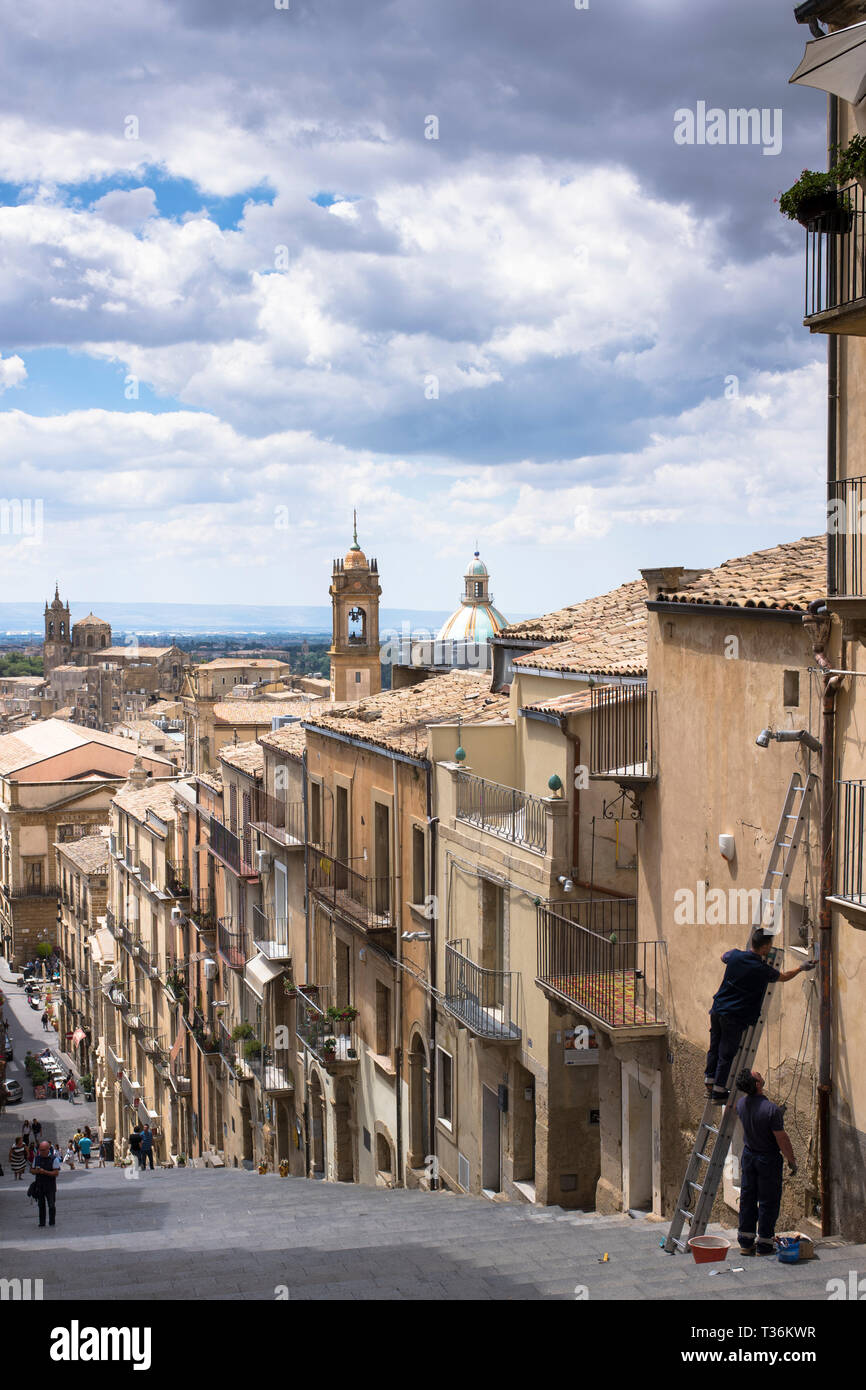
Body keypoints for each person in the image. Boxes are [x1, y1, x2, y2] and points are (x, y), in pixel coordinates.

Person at [705, 931, 816, 1102]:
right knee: (726, 1053)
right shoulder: (760, 969)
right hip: (734, 1016)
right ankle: (718, 1092)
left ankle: (709, 1082)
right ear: (764, 947)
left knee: (715, 1046)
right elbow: (784, 977)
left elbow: (723, 956)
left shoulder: (735, 955)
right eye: (769, 945)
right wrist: (801, 968)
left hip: (717, 1009)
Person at [735, 1068, 797, 1256]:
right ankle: (764, 1244)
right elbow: (782, 1139)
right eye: (758, 1075)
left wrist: (776, 1115)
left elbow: (756, 1119)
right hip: (767, 1159)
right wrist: (792, 1161)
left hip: (749, 1156)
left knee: (748, 1198)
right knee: (768, 1201)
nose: (760, 1074)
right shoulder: (770, 1110)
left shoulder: (741, 1104)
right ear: (757, 1084)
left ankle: (746, 1242)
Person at [31, 1140, 61, 1228]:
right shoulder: (37, 1158)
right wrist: (36, 1171)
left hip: (50, 1186)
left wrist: (44, 1172)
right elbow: (31, 1170)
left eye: (43, 1150)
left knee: (51, 1205)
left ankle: (52, 1222)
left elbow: (56, 1173)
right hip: (39, 1185)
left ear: (48, 1149)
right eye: (40, 1150)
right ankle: (42, 1222)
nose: (42, 1152)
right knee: (41, 1205)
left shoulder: (53, 1159)